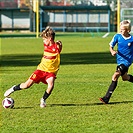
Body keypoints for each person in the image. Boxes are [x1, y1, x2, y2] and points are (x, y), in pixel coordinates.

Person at [4, 26, 62, 108]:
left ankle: (43, 100)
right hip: (40, 70)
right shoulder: (46, 45)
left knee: (51, 85)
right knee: (26, 85)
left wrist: (60, 44)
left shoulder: (56, 47)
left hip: (50, 72)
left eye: (44, 39)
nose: (43, 41)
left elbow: (59, 49)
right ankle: (13, 88)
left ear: (49, 39)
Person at [99, 20, 133, 104]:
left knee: (115, 75)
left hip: (127, 62)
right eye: (120, 29)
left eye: (122, 30)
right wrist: (112, 51)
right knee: (125, 78)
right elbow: (111, 45)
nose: (120, 31)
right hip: (119, 61)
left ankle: (106, 98)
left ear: (128, 30)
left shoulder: (132, 39)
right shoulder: (117, 36)